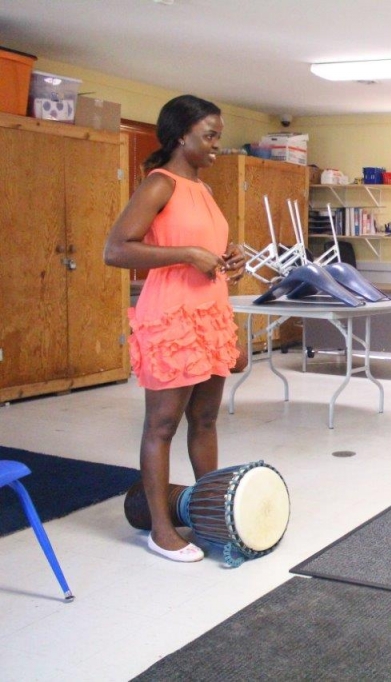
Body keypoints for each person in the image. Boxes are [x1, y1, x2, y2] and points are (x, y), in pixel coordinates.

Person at [104, 95, 245, 562]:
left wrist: (228, 263)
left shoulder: (201, 188)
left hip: (209, 313)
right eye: (210, 136)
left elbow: (204, 254)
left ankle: (209, 514)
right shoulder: (159, 184)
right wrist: (186, 253)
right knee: (161, 425)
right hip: (171, 318)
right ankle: (161, 529)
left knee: (204, 420)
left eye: (217, 137)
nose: (216, 146)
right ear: (181, 136)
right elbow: (117, 250)